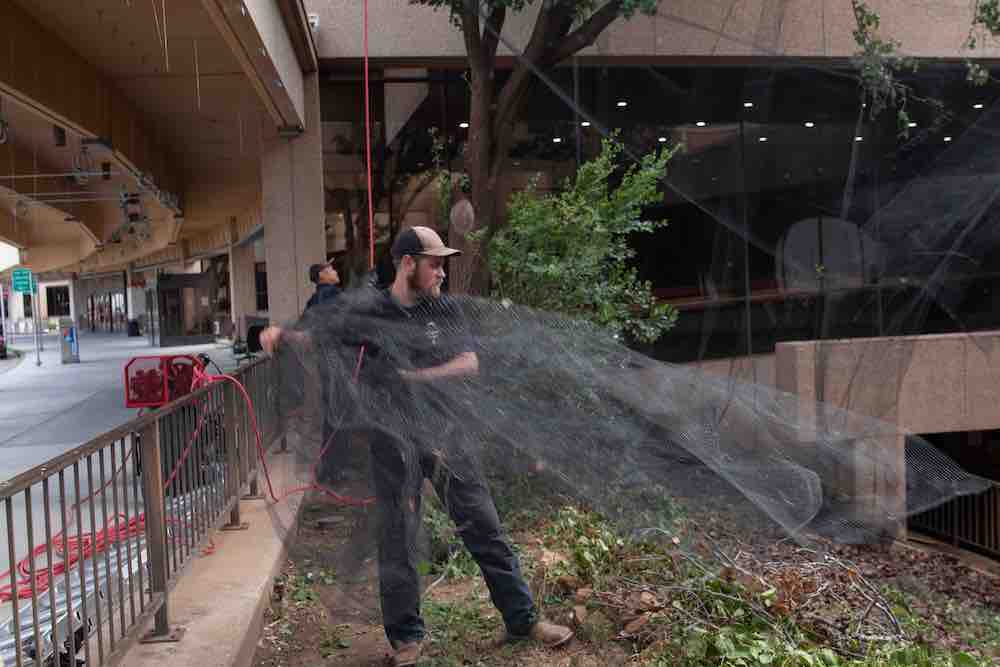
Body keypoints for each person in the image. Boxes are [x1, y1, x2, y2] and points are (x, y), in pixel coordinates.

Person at [260, 226, 573, 667]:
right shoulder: (370, 312)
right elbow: (321, 338)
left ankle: (522, 619)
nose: (442, 272)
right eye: (435, 263)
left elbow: (469, 362)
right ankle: (407, 638)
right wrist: (278, 336)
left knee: (484, 526)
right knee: (397, 538)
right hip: (393, 441)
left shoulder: (442, 309)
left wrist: (411, 378)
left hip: (446, 437)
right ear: (408, 263)